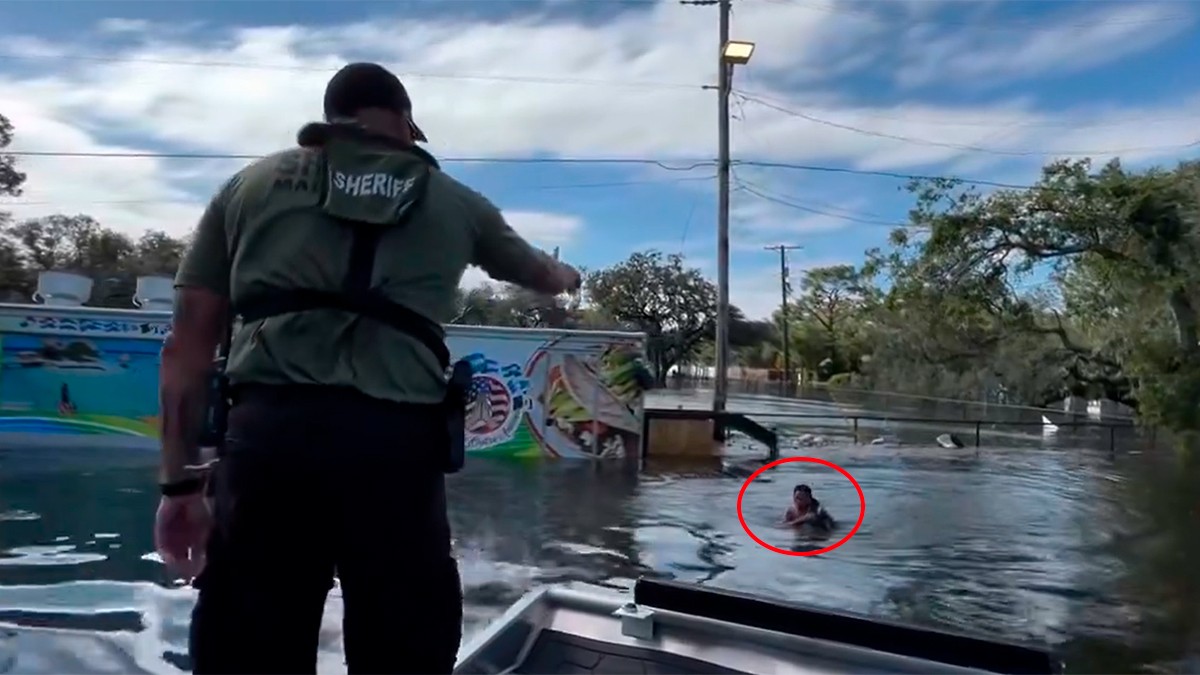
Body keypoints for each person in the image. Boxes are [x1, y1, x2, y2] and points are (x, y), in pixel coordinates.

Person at [152, 62, 581, 675]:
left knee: (247, 648)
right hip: (395, 452)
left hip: (269, 445)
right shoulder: (454, 201)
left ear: (331, 121)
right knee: (404, 647)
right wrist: (566, 275)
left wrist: (177, 487)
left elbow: (187, 345)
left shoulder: (248, 187)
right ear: (405, 123)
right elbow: (539, 275)